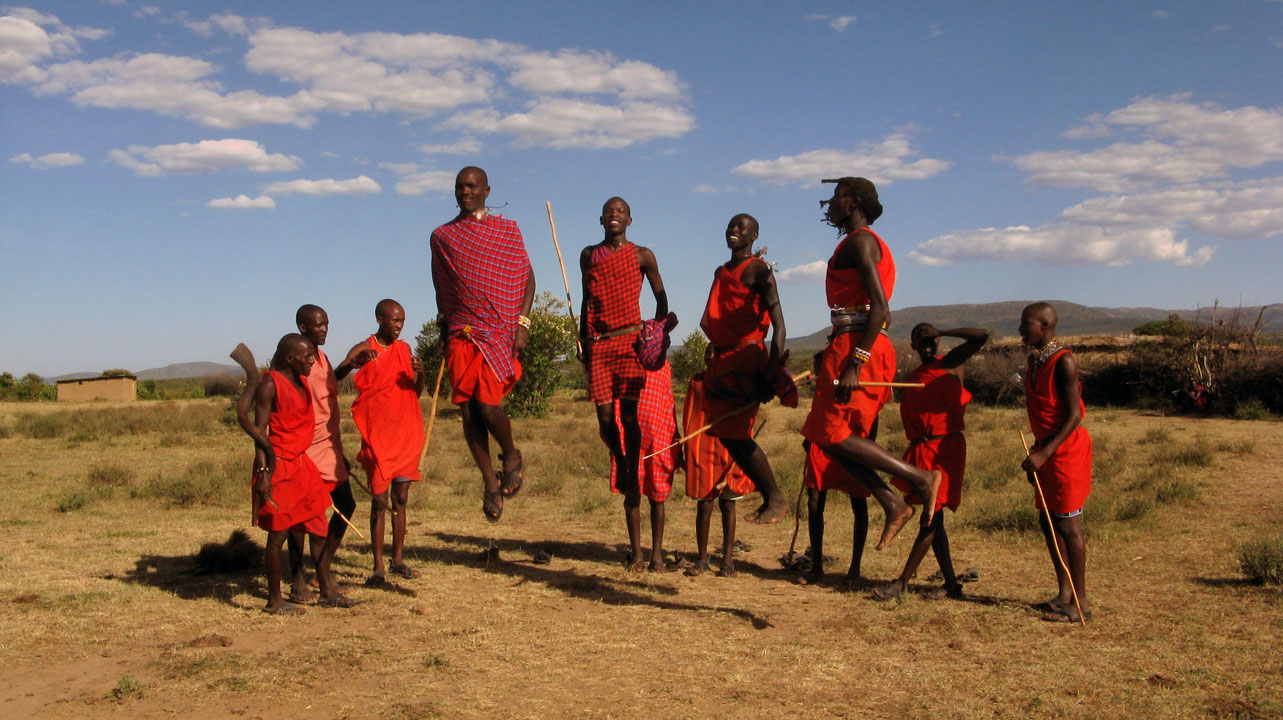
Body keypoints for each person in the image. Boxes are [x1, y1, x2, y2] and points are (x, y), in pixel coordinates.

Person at [800, 176, 942, 551]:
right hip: (852, 342)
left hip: (857, 346)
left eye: (835, 197)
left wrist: (855, 363)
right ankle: (892, 502)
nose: (829, 204)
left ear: (853, 201)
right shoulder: (857, 242)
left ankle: (922, 479)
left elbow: (880, 308)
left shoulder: (862, 241)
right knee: (823, 435)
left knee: (830, 434)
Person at [430, 166, 535, 522]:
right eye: (459, 187)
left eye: (472, 186)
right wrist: (445, 325)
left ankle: (512, 455)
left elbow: (527, 277)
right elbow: (441, 284)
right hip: (462, 333)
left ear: (487, 191)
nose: (465, 192)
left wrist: (522, 324)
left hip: (501, 331)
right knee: (469, 410)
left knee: (489, 407)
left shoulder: (507, 231)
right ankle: (490, 481)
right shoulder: (443, 236)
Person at [579, 196, 668, 572]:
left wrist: (657, 332)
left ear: (630, 220)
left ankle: (630, 471)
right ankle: (626, 467)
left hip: (631, 340)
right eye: (608, 211)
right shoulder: (589, 256)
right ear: (600, 218)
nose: (614, 216)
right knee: (604, 420)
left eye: (620, 212)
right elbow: (585, 301)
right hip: (599, 345)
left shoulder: (642, 255)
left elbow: (662, 300)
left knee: (629, 417)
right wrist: (582, 338)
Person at [873, 324, 988, 601]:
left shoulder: (950, 363)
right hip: (923, 448)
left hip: (945, 449)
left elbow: (980, 336)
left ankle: (901, 583)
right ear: (912, 346)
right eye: (920, 342)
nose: (926, 347)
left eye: (930, 341)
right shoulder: (914, 376)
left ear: (937, 342)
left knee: (930, 518)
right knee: (935, 520)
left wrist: (943, 330)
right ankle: (951, 584)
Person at [698, 213, 790, 524]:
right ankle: (769, 496)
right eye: (731, 226)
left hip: (747, 360)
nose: (734, 231)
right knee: (725, 433)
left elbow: (779, 326)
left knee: (736, 433)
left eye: (742, 228)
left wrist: (773, 372)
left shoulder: (759, 272)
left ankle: (775, 496)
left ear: (754, 237)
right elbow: (720, 316)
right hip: (722, 361)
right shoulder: (720, 271)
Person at [1019, 302, 1093, 622]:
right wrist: (1037, 452)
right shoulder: (1035, 359)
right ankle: (1064, 594)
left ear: (1045, 326)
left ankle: (1081, 604)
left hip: (1065, 453)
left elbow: (1074, 414)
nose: (1021, 330)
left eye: (1027, 325)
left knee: (1068, 524)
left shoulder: (1064, 362)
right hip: (1046, 450)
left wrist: (1045, 453)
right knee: (1048, 522)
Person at [248, 333, 332, 615]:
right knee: (278, 534)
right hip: (278, 465)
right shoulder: (270, 385)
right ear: (290, 358)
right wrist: (263, 474)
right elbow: (259, 435)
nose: (313, 360)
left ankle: (327, 587)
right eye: (307, 356)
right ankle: (274, 600)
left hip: (301, 465)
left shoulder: (302, 381)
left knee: (319, 523)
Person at [345, 299, 426, 586]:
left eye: (402, 320)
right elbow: (338, 374)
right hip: (378, 436)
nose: (399, 325)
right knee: (379, 501)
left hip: (405, 434)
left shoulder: (404, 350)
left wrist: (422, 373)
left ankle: (398, 560)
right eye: (394, 320)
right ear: (380, 319)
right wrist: (355, 362)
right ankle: (378, 566)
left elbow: (414, 393)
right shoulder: (364, 347)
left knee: (400, 500)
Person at [286, 304, 361, 607]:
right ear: (303, 328)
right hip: (306, 446)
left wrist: (350, 365)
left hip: (330, 444)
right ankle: (296, 580)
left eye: (326, 324)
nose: (324, 330)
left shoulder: (323, 358)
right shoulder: (298, 362)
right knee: (302, 516)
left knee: (346, 504)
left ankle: (322, 570)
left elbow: (328, 382)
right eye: (318, 325)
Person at [682, 372, 756, 577]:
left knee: (728, 503)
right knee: (704, 504)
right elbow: (690, 415)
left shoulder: (736, 382)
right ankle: (702, 558)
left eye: (715, 353)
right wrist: (690, 447)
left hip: (728, 446)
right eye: (708, 353)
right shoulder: (697, 383)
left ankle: (728, 560)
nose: (711, 357)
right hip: (702, 445)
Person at [608, 362, 680, 572]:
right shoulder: (626, 364)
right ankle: (637, 553)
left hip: (658, 439)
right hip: (630, 441)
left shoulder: (664, 366)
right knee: (632, 495)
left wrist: (674, 438)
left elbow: (668, 402)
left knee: (658, 497)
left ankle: (656, 555)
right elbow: (615, 403)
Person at [801, 439, 870, 588]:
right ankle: (817, 568)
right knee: (814, 503)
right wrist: (809, 435)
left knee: (858, 500)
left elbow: (871, 418)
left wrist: (868, 447)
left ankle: (854, 569)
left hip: (854, 443)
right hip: (822, 443)